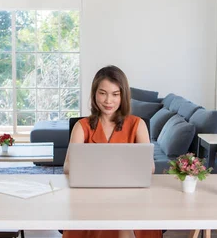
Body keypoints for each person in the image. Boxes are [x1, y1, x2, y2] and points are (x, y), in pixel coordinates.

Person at [62, 65, 161, 238]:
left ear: (123, 96)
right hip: (91, 195)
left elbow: (149, 168)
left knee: (123, 220)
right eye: (103, 93)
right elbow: (68, 167)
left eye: (115, 94)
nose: (108, 100)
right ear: (94, 94)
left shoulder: (138, 125)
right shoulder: (81, 126)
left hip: (130, 195)